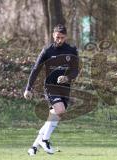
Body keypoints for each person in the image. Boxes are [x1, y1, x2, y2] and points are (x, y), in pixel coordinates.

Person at [24, 24, 79, 156]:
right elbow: (35, 69)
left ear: (66, 37)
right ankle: (44, 140)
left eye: (62, 37)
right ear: (53, 35)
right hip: (50, 87)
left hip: (65, 88)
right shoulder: (47, 51)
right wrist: (28, 88)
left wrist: (67, 78)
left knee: (54, 116)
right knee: (59, 110)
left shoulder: (71, 50)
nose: (59, 40)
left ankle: (34, 146)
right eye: (57, 37)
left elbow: (75, 70)